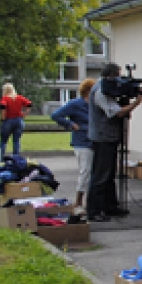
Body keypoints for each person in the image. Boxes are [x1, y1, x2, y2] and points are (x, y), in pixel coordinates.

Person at [88, 62, 142, 222]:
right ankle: (95, 210)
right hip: (102, 137)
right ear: (111, 76)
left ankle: (109, 206)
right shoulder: (100, 91)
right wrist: (135, 103)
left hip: (109, 136)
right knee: (101, 175)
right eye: (117, 77)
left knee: (109, 174)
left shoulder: (106, 89)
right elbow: (116, 112)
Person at [51, 78, 96, 210]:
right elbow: (56, 115)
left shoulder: (94, 106)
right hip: (82, 142)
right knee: (85, 171)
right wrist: (71, 125)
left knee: (92, 172)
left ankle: (90, 200)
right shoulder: (75, 104)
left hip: (93, 141)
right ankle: (79, 199)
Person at [0, 83, 32, 159]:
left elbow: (3, 107)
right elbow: (29, 104)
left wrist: (3, 117)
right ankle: (16, 158)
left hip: (8, 120)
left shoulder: (5, 98)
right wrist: (25, 113)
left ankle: (0, 157)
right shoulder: (19, 97)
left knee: (3, 140)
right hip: (19, 120)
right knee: (16, 140)